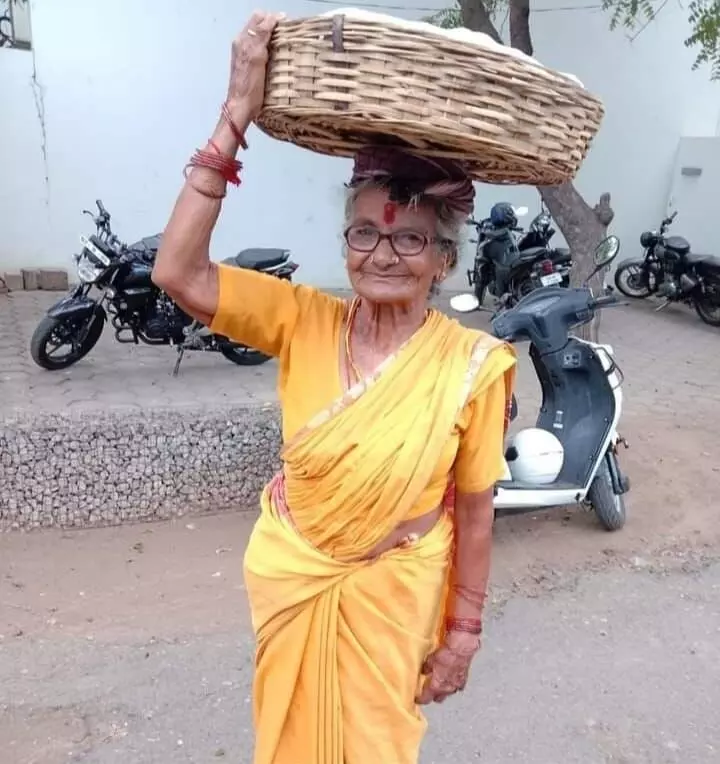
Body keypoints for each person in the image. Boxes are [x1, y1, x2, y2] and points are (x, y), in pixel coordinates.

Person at [152, 11, 517, 764]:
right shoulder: (301, 320)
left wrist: (464, 635)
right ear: (345, 242)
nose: (383, 253)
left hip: (394, 596)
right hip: (295, 579)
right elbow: (177, 273)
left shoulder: (475, 365)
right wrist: (233, 118)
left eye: (409, 237)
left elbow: (476, 512)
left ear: (443, 260)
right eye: (363, 233)